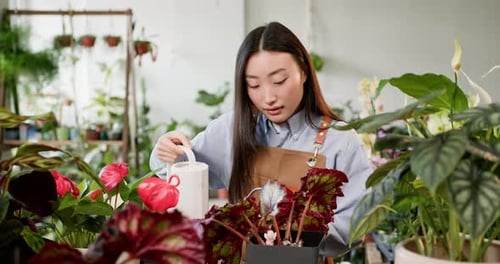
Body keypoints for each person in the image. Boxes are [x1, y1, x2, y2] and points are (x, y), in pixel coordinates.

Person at [150, 21, 373, 257]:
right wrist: (167, 151)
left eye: (279, 81)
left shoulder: (340, 140)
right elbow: (173, 173)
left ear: (304, 72)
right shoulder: (232, 129)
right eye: (254, 85)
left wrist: (298, 241)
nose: (268, 98)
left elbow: (358, 223)